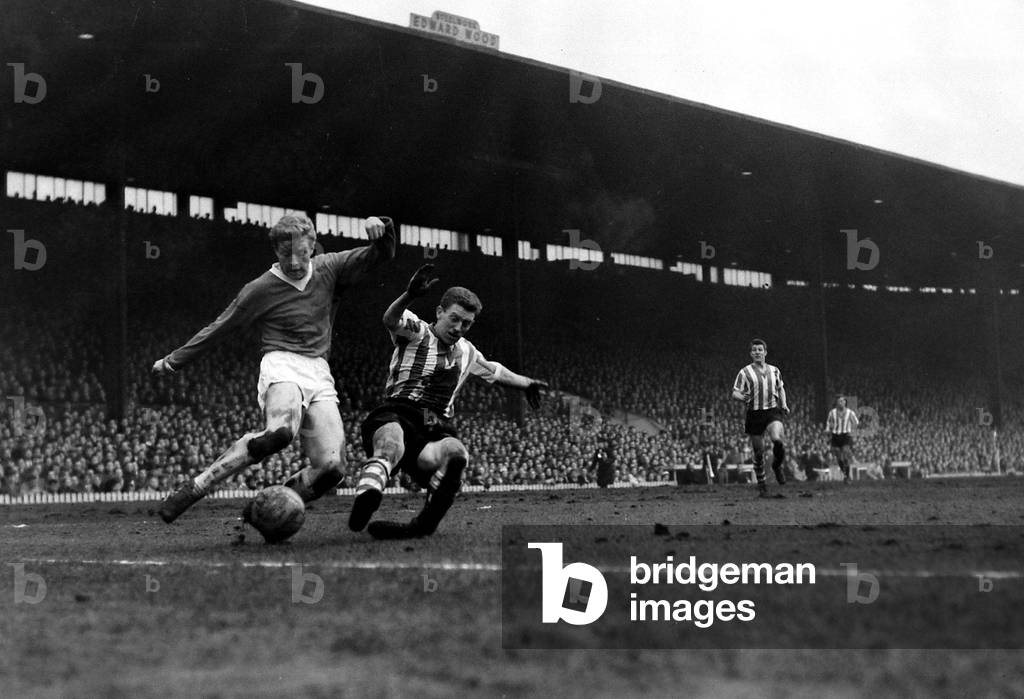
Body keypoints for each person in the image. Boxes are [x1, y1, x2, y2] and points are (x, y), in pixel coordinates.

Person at [152, 213, 396, 522]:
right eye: (285, 254)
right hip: (282, 363)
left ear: (313, 246)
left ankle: (265, 511)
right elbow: (221, 327)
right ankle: (196, 487)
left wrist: (383, 229)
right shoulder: (261, 288)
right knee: (280, 433)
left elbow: (381, 254)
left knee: (332, 469)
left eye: (302, 253)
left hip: (319, 372)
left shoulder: (330, 267)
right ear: (275, 252)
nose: (294, 262)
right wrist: (173, 361)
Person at [348, 264, 548, 539]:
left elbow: (495, 371)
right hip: (398, 411)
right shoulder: (418, 332)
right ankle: (367, 498)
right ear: (439, 312)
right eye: (454, 319)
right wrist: (409, 295)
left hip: (433, 422)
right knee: (392, 441)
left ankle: (423, 524)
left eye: (466, 323)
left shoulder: (467, 351)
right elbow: (390, 319)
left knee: (456, 452)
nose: (458, 328)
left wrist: (526, 383)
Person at [731, 338, 790, 496]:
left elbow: (780, 388)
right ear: (751, 353)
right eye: (754, 350)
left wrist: (784, 404)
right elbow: (735, 392)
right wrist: (743, 397)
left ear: (765, 352)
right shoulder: (744, 372)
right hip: (754, 414)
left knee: (777, 439)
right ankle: (762, 483)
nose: (757, 352)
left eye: (760, 349)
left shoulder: (775, 370)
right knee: (759, 452)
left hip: (772, 411)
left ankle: (777, 466)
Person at [825, 395, 859, 482]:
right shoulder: (832, 412)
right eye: (840, 401)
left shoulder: (850, 412)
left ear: (845, 402)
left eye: (843, 401)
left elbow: (856, 422)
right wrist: (828, 429)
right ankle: (846, 474)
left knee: (845, 452)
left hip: (845, 435)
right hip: (835, 435)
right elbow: (828, 422)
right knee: (839, 457)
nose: (841, 402)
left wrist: (852, 430)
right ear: (837, 403)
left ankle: (847, 476)